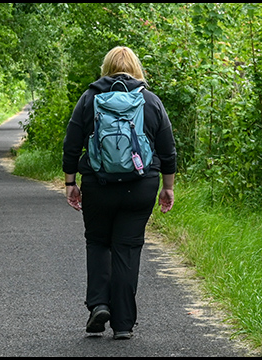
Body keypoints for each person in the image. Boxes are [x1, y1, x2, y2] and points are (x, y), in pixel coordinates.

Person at [62, 46, 176, 340]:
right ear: (137, 68)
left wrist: (70, 182)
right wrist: (168, 187)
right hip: (140, 186)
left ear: (106, 68)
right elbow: (167, 149)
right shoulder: (150, 101)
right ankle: (123, 324)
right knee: (127, 248)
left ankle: (99, 304)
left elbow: (72, 143)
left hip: (98, 184)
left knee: (98, 242)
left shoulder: (90, 98)